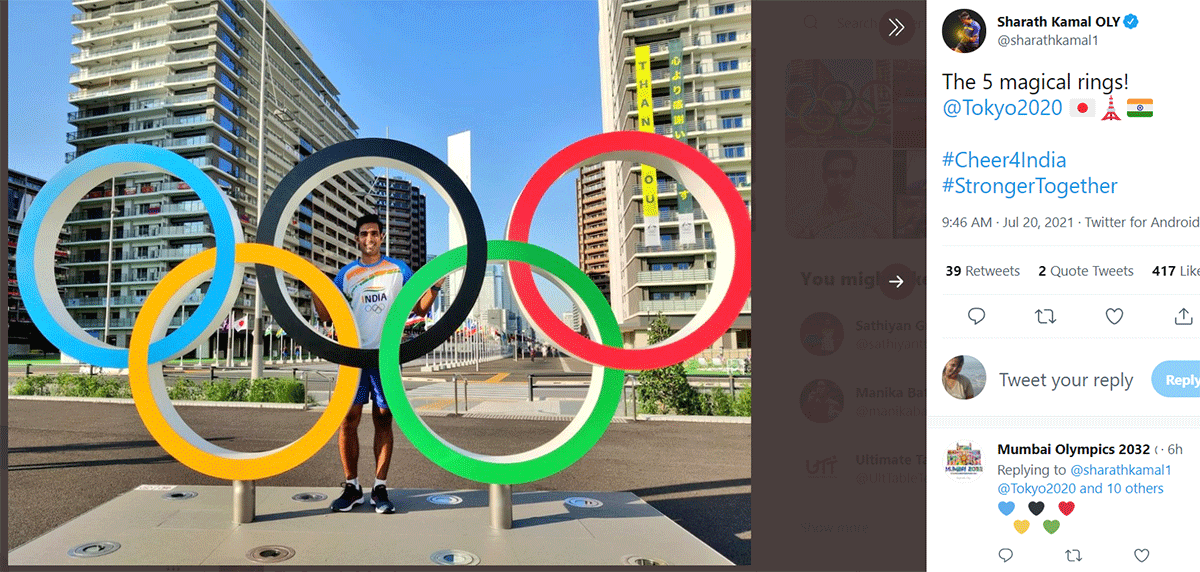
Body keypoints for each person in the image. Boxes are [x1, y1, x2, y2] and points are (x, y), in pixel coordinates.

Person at [314, 214, 443, 513]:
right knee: (348, 419)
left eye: (374, 233)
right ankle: (352, 486)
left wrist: (434, 288)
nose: (369, 239)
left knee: (384, 418)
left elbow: (418, 307)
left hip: (385, 357)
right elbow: (325, 316)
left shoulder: (399, 270)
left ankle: (380, 487)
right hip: (354, 358)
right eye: (363, 234)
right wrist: (314, 285)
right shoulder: (346, 275)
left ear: (381, 237)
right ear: (357, 239)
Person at [798, 150, 889, 238]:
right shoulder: (808, 211)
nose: (839, 182)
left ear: (853, 178)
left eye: (846, 174)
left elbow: (893, 235)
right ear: (824, 178)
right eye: (833, 174)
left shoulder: (868, 211)